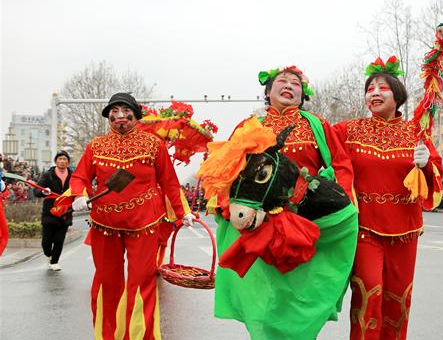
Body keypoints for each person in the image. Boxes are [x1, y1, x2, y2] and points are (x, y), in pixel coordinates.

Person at [211, 66, 357, 339]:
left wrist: (341, 198)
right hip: (260, 223)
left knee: (299, 295)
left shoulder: (316, 124)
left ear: (303, 95)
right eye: (282, 81)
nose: (289, 86)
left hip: (303, 221)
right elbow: (227, 169)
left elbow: (340, 163)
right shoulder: (249, 125)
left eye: (296, 83)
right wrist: (225, 204)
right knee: (265, 297)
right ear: (268, 91)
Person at [334, 56, 443, 339]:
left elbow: (436, 179)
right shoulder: (348, 131)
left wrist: (426, 164)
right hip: (364, 229)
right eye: (370, 89)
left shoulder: (415, 133)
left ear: (397, 95)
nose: (374, 93)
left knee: (398, 300)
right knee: (369, 293)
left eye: (382, 88)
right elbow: (317, 144)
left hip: (406, 230)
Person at [70, 92, 194, 339]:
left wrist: (184, 213)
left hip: (144, 224)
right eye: (113, 113)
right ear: (108, 118)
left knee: (142, 283)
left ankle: (141, 336)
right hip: (105, 224)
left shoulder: (153, 144)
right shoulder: (96, 145)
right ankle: (109, 336)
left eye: (125, 112)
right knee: (107, 282)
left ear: (135, 116)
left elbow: (169, 182)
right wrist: (78, 195)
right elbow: (80, 176)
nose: (119, 117)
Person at [33, 150, 73, 271]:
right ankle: (48, 255)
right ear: (56, 161)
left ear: (68, 162)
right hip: (50, 212)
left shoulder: (73, 176)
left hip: (65, 212)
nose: (62, 161)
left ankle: (55, 262)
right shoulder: (48, 175)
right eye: (60, 159)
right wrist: (43, 191)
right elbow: (36, 191)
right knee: (46, 241)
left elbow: (78, 190)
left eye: (64, 159)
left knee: (59, 240)